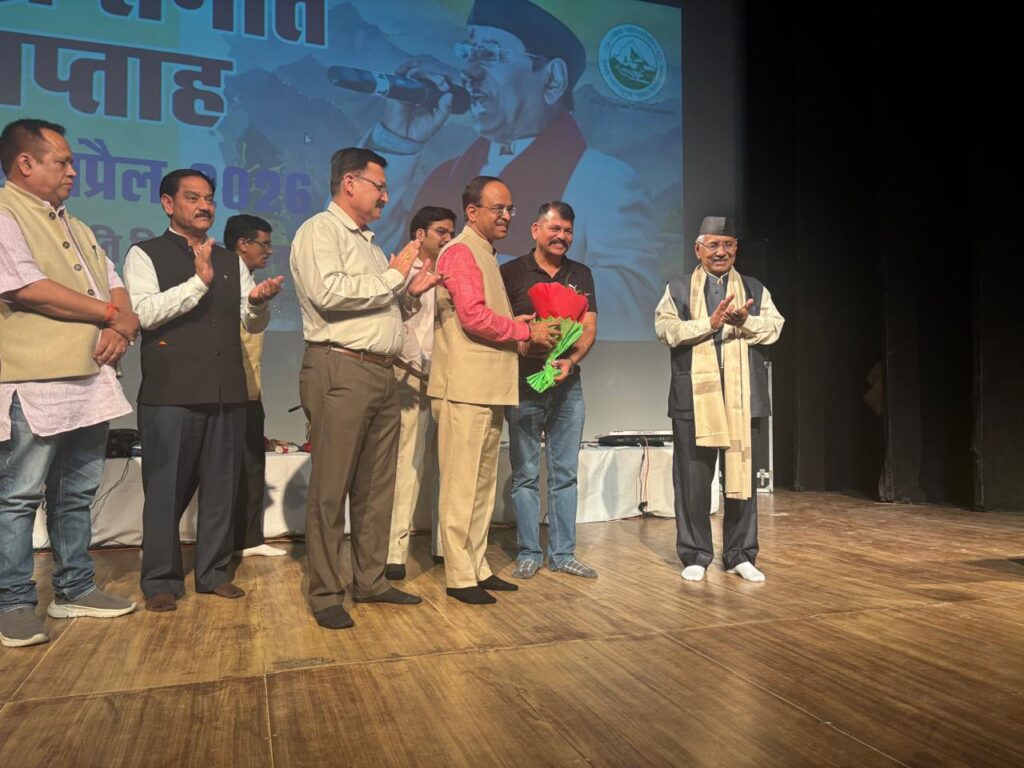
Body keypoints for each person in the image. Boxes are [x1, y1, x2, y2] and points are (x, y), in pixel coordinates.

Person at [366, 0, 661, 339]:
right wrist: (399, 140)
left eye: (489, 55)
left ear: (552, 80)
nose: (469, 73)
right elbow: (384, 259)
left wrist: (493, 275)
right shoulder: (448, 174)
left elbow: (633, 302)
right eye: (468, 54)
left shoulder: (604, 180)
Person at [0, 118, 138, 647]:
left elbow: (114, 284)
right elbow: (26, 287)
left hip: (88, 377)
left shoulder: (76, 224)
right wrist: (111, 315)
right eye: (62, 161)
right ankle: (13, 602)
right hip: (34, 378)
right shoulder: (7, 211)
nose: (73, 171)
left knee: (76, 492)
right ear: (25, 162)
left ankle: (74, 588)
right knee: (18, 496)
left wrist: (119, 326)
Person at [290, 147, 441, 630]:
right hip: (340, 366)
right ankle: (326, 592)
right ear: (349, 183)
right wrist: (395, 276)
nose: (386, 197)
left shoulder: (373, 247)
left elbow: (380, 310)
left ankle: (371, 580)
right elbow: (329, 293)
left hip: (380, 371)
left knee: (377, 486)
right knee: (331, 488)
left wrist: (408, 296)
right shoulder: (320, 231)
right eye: (379, 186)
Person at [124, 169, 285, 612]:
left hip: (226, 391)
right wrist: (198, 282)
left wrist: (258, 304)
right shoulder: (145, 253)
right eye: (193, 197)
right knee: (165, 491)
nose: (204, 206)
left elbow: (249, 321)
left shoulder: (231, 260)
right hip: (171, 393)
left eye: (209, 198)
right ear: (167, 203)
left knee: (221, 488)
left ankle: (213, 573)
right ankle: (160, 580)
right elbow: (145, 314)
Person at [428, 176, 560, 604]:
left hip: (487, 386)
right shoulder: (461, 251)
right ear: (472, 212)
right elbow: (473, 317)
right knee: (461, 486)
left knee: (482, 485)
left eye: (509, 209)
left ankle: (477, 566)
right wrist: (525, 330)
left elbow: (484, 316)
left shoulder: (484, 252)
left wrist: (521, 327)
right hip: (465, 388)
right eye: (497, 209)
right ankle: (458, 574)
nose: (506, 216)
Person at [654, 216, 784, 583]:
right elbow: (665, 329)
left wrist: (745, 322)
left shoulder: (754, 288)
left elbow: (775, 327)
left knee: (742, 480)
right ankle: (695, 554)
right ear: (698, 249)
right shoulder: (678, 288)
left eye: (728, 245)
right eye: (713, 245)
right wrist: (708, 325)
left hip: (745, 399)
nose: (721, 252)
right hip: (693, 400)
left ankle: (740, 554)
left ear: (736, 249)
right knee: (692, 482)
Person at [501, 201, 598, 579]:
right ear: (535, 230)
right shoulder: (510, 272)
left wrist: (569, 360)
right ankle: (528, 552)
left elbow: (588, 326)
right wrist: (523, 341)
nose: (562, 237)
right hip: (523, 384)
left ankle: (562, 554)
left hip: (567, 385)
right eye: (555, 229)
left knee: (565, 474)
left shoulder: (581, 273)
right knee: (525, 474)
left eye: (568, 231)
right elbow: (502, 325)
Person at [385, 206, 457, 582]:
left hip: (448, 376)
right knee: (407, 462)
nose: (448, 238)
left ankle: (445, 545)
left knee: (449, 462)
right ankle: (394, 551)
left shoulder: (454, 270)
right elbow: (394, 324)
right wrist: (421, 364)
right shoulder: (400, 269)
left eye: (451, 232)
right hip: (411, 374)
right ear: (419, 234)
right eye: (441, 232)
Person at [223, 214, 286, 558]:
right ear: (242, 244)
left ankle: (248, 538)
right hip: (229, 388)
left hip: (249, 387)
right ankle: (230, 540)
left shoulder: (249, 279)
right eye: (264, 244)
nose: (269, 251)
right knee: (230, 465)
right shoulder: (225, 277)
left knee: (251, 460)